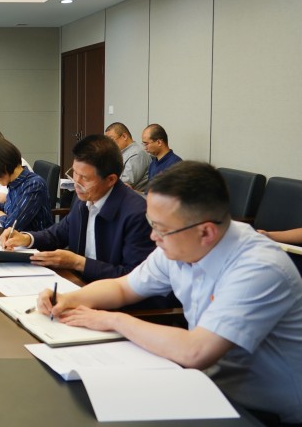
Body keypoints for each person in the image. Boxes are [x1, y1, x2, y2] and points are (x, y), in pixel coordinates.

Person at [38, 161, 302, 425]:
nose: (154, 237)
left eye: (161, 229)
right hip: (209, 386)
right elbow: (123, 287)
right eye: (151, 224)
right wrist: (68, 299)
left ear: (206, 232)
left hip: (266, 411)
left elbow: (196, 351)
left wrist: (113, 320)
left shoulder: (258, 268)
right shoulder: (181, 243)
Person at [0, 134, 155, 282]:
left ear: (110, 180)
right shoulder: (85, 199)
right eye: (74, 173)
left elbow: (134, 278)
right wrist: (26, 238)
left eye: (85, 178)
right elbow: (58, 234)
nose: (76, 183)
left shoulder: (137, 214)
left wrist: (78, 263)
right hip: (78, 283)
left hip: (111, 295)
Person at [0, 137, 52, 232]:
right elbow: (13, 207)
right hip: (17, 238)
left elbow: (12, 225)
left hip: (35, 239)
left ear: (4, 167)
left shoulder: (34, 185)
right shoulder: (14, 182)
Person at [105, 122, 151, 191]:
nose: (109, 144)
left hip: (134, 195)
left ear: (124, 136)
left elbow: (125, 183)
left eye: (111, 140)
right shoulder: (121, 153)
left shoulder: (137, 154)